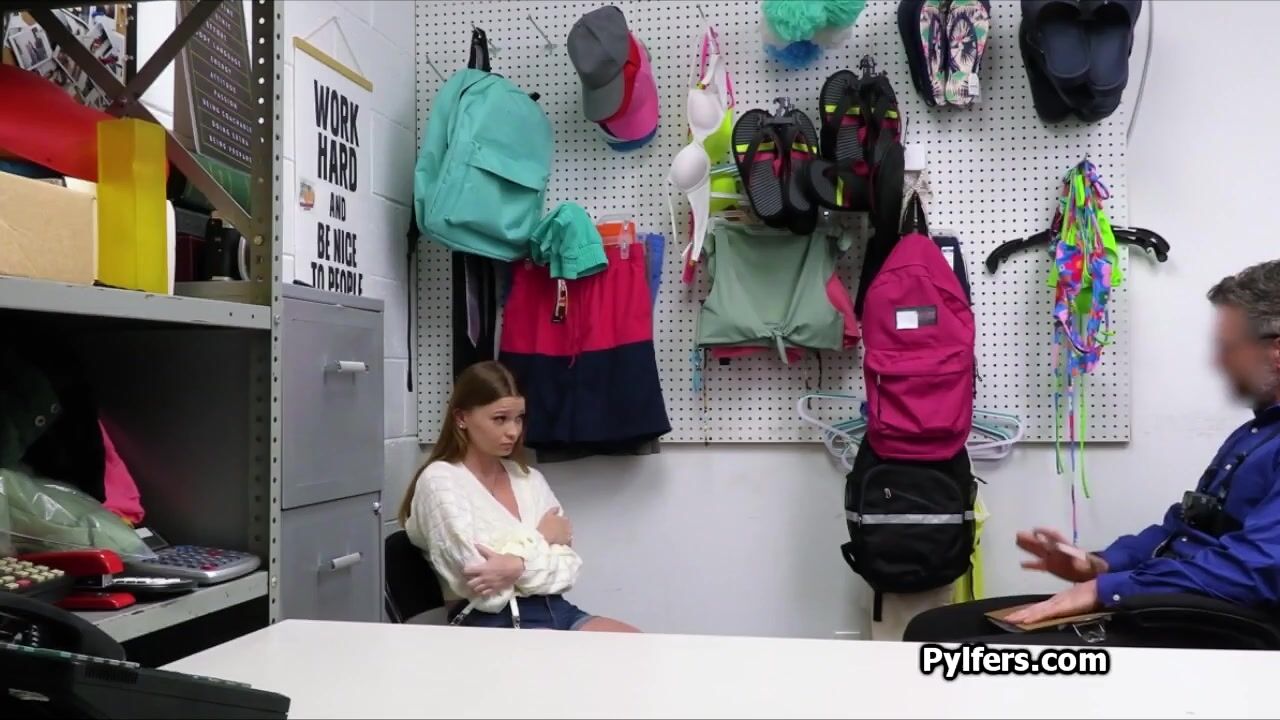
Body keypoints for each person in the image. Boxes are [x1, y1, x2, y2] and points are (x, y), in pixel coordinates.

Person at [906, 260, 1280, 645]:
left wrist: (1105, 590)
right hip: (1163, 601)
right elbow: (1184, 530)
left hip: (1215, 625)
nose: (1217, 361)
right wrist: (1099, 565)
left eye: (1228, 348)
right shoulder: (1253, 436)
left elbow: (1254, 570)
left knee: (952, 653)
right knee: (932, 630)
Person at [399, 361, 637, 632]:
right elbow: (482, 585)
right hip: (492, 619)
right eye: (500, 419)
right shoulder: (440, 480)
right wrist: (543, 537)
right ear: (461, 418)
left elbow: (569, 567)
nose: (513, 431)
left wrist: (514, 565)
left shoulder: (528, 478)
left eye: (519, 418)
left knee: (638, 644)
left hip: (556, 609)